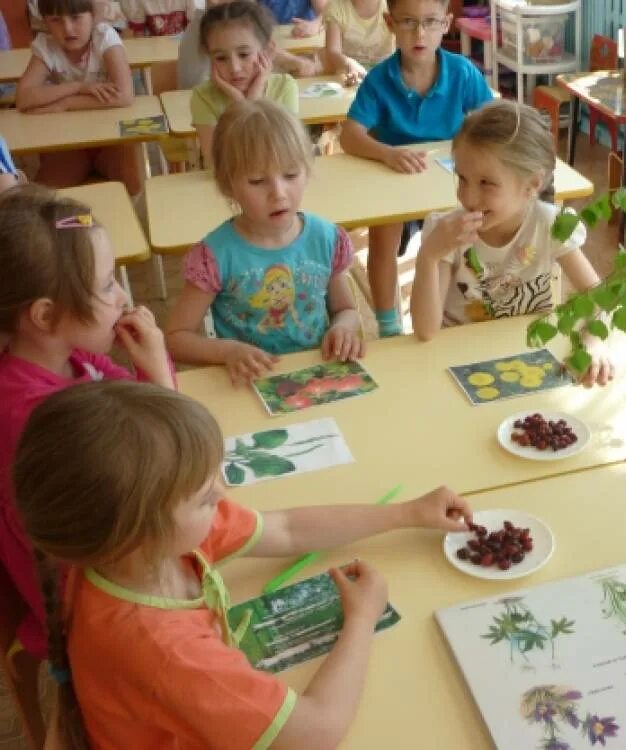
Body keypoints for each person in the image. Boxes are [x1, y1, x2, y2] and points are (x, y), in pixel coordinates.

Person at [14, 379, 473, 748]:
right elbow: (315, 733)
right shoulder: (164, 652)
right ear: (140, 532)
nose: (223, 492)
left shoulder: (131, 547)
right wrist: (362, 618)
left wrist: (405, 513)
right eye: (205, 497)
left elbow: (287, 528)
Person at [0, 185, 174, 662]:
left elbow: (146, 417)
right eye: (106, 286)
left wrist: (151, 375)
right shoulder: (37, 415)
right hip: (91, 602)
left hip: (117, 542)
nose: (122, 296)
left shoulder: (71, 355)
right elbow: (172, 454)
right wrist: (158, 373)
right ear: (45, 315)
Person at [411, 100, 614, 387]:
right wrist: (430, 255)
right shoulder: (446, 234)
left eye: (486, 183)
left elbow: (599, 298)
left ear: (532, 185)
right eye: (462, 179)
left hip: (529, 363)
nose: (468, 197)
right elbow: (426, 330)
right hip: (458, 367)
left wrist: (593, 344)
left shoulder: (551, 225)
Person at [166, 99, 365, 386]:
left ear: (307, 170)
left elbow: (345, 308)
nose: (278, 193)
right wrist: (228, 352)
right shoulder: (217, 254)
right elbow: (176, 338)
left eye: (290, 175)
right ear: (227, 185)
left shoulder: (325, 238)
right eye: (258, 180)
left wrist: (343, 328)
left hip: (318, 376)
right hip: (253, 382)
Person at [339, 0, 493, 338]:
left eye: (430, 22)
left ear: (446, 23)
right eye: (408, 22)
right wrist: (386, 153)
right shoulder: (380, 79)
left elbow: (492, 121)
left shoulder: (462, 72)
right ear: (389, 23)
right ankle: (389, 325)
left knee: (467, 233)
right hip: (396, 178)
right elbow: (350, 135)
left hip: (448, 180)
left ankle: (465, 309)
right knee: (383, 240)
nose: (419, 33)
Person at [15, 0, 141, 195]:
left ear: (93, 16)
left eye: (76, 18)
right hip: (71, 145)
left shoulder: (104, 37)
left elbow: (124, 95)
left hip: (112, 140)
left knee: (136, 189)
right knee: (40, 196)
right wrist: (78, 87)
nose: (67, 28)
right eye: (56, 20)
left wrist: (66, 103)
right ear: (46, 23)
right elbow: (24, 98)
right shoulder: (47, 46)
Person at [190, 0, 298, 165]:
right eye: (221, 58)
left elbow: (283, 157)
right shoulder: (203, 97)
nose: (234, 68)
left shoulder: (284, 87)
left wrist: (251, 101)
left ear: (268, 50)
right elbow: (217, 165)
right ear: (208, 56)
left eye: (244, 54)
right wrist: (241, 104)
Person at [320, 0, 392, 83]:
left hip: (386, 76)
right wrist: (349, 65)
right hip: (348, 76)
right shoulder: (335, 7)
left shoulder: (392, 5)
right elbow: (333, 51)